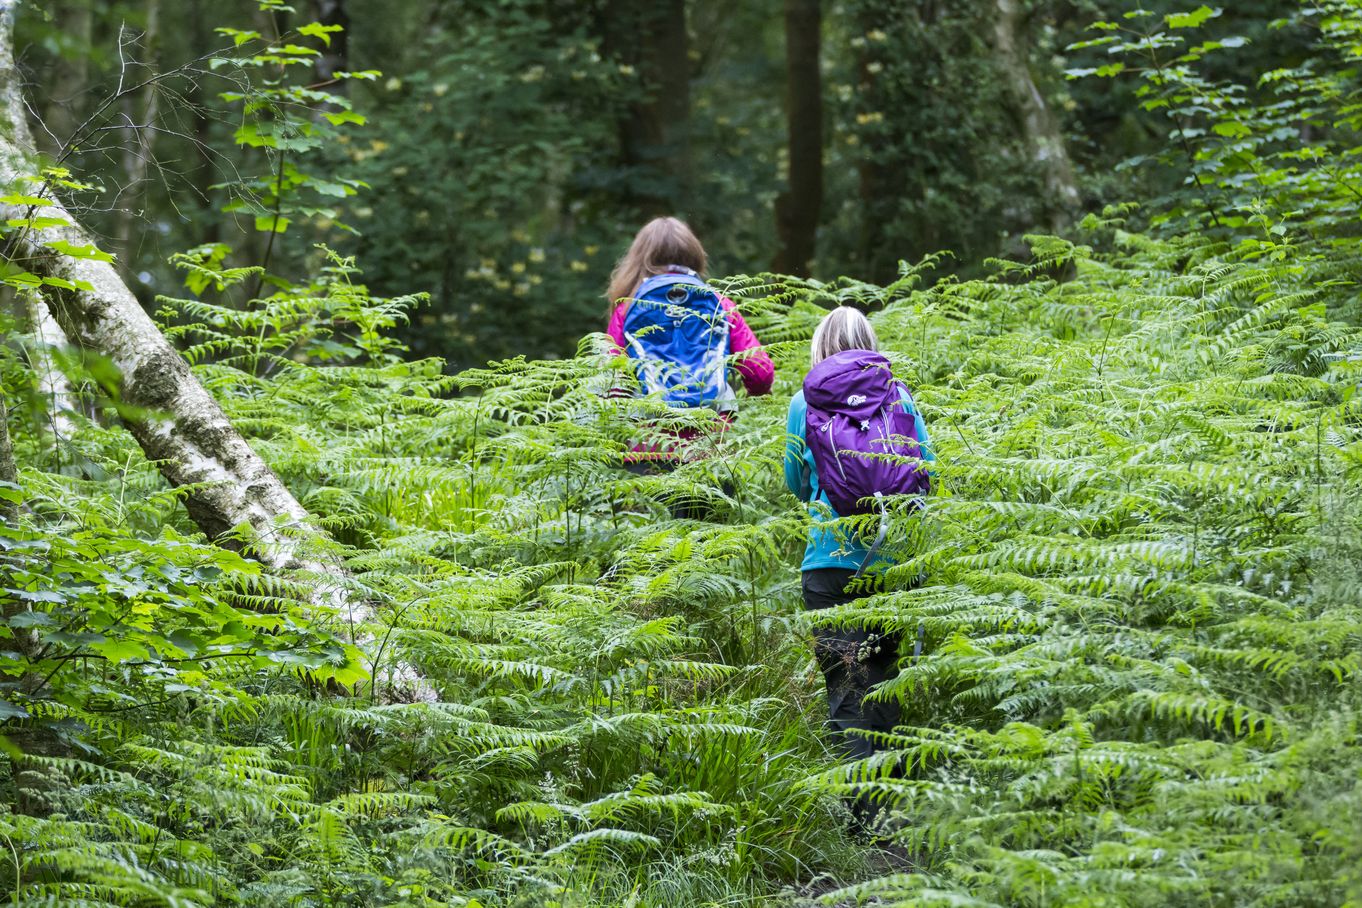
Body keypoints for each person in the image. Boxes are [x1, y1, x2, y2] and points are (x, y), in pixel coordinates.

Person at [783, 306, 933, 793]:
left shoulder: (803, 404)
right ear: (869, 343)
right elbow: (928, 472)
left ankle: (858, 818)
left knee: (845, 688)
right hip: (891, 562)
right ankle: (894, 809)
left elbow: (796, 482)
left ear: (820, 347)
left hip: (828, 566)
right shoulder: (901, 397)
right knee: (885, 682)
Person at [604, 217, 773, 502]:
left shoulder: (628, 308)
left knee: (651, 544)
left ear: (639, 259)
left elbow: (610, 386)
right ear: (694, 254)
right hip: (711, 447)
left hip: (649, 448)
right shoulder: (719, 303)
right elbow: (760, 373)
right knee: (709, 543)